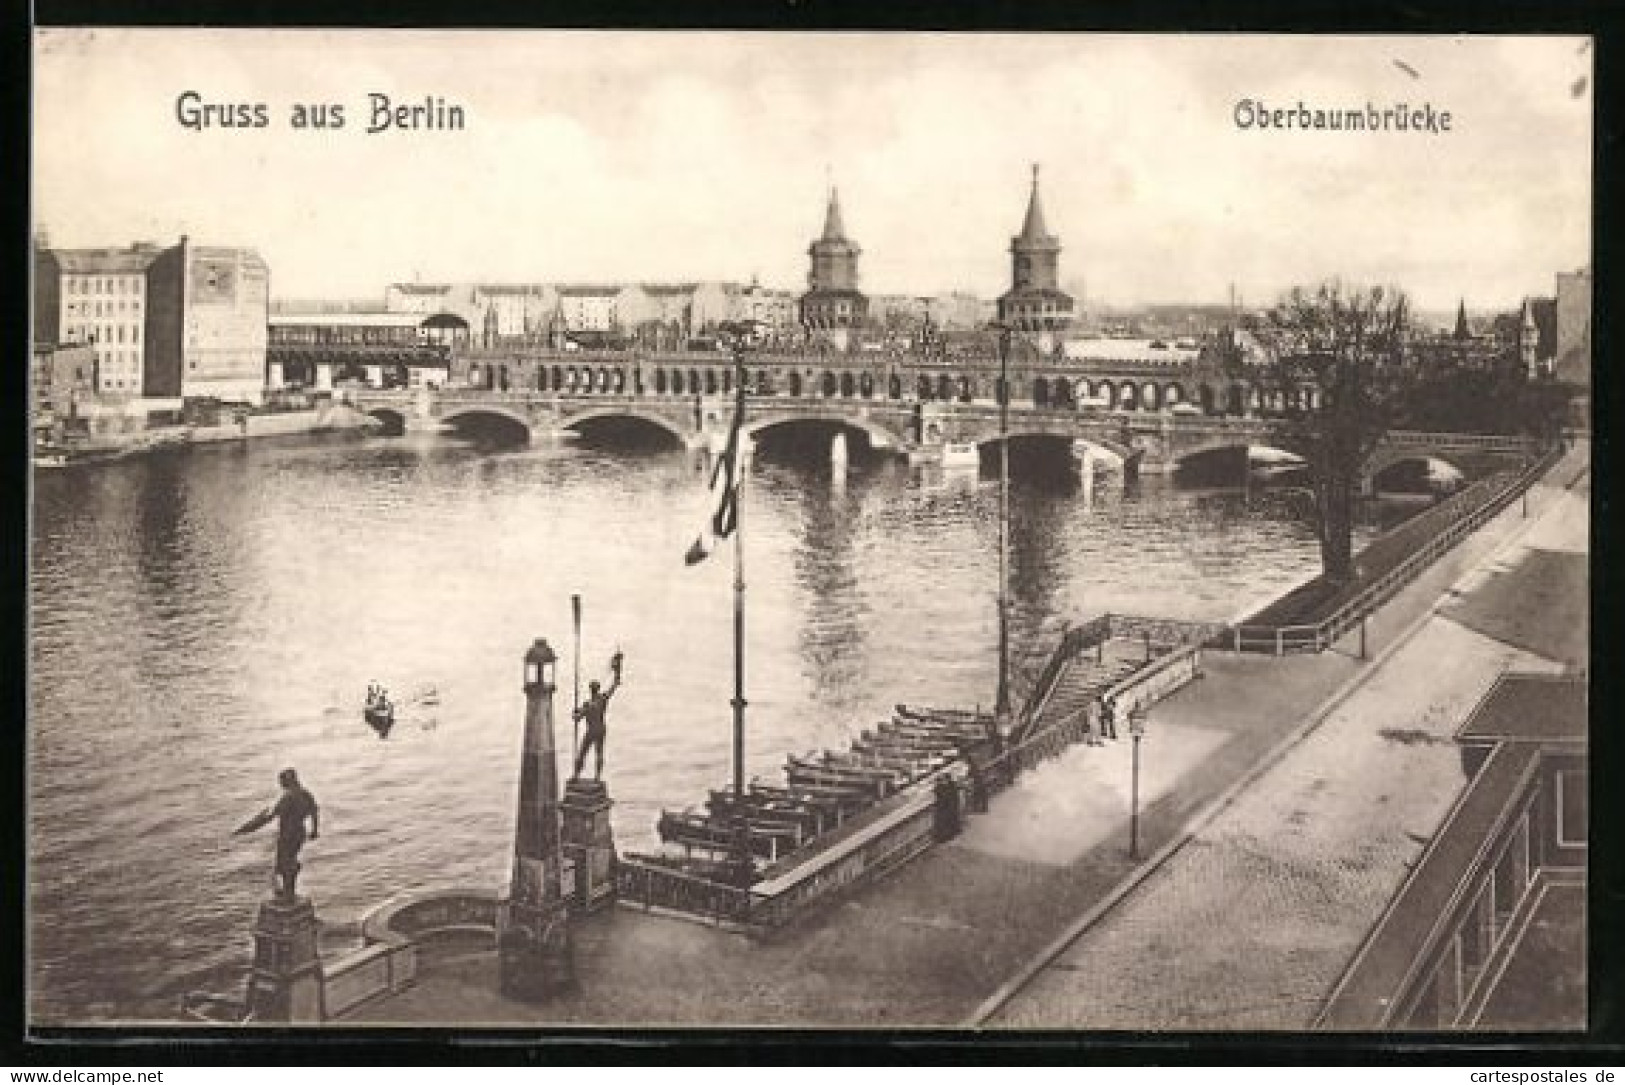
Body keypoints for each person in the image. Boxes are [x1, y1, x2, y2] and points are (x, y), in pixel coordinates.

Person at [234, 769, 320, 901]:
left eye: (281, 781)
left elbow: (268, 817)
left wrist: (245, 829)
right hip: (299, 832)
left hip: (287, 834)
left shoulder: (287, 797)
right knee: (290, 860)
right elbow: (314, 812)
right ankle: (289, 891)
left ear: (287, 781)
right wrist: (314, 830)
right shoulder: (306, 794)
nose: (280, 784)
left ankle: (288, 893)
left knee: (284, 864)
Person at [572, 651, 624, 780]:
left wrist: (574, 713)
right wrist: (618, 669)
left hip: (591, 731)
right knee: (599, 753)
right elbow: (615, 685)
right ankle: (597, 776)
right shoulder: (603, 699)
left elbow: (577, 719)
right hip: (601, 729)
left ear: (590, 690)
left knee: (582, 752)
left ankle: (576, 774)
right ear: (598, 689)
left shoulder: (587, 705)